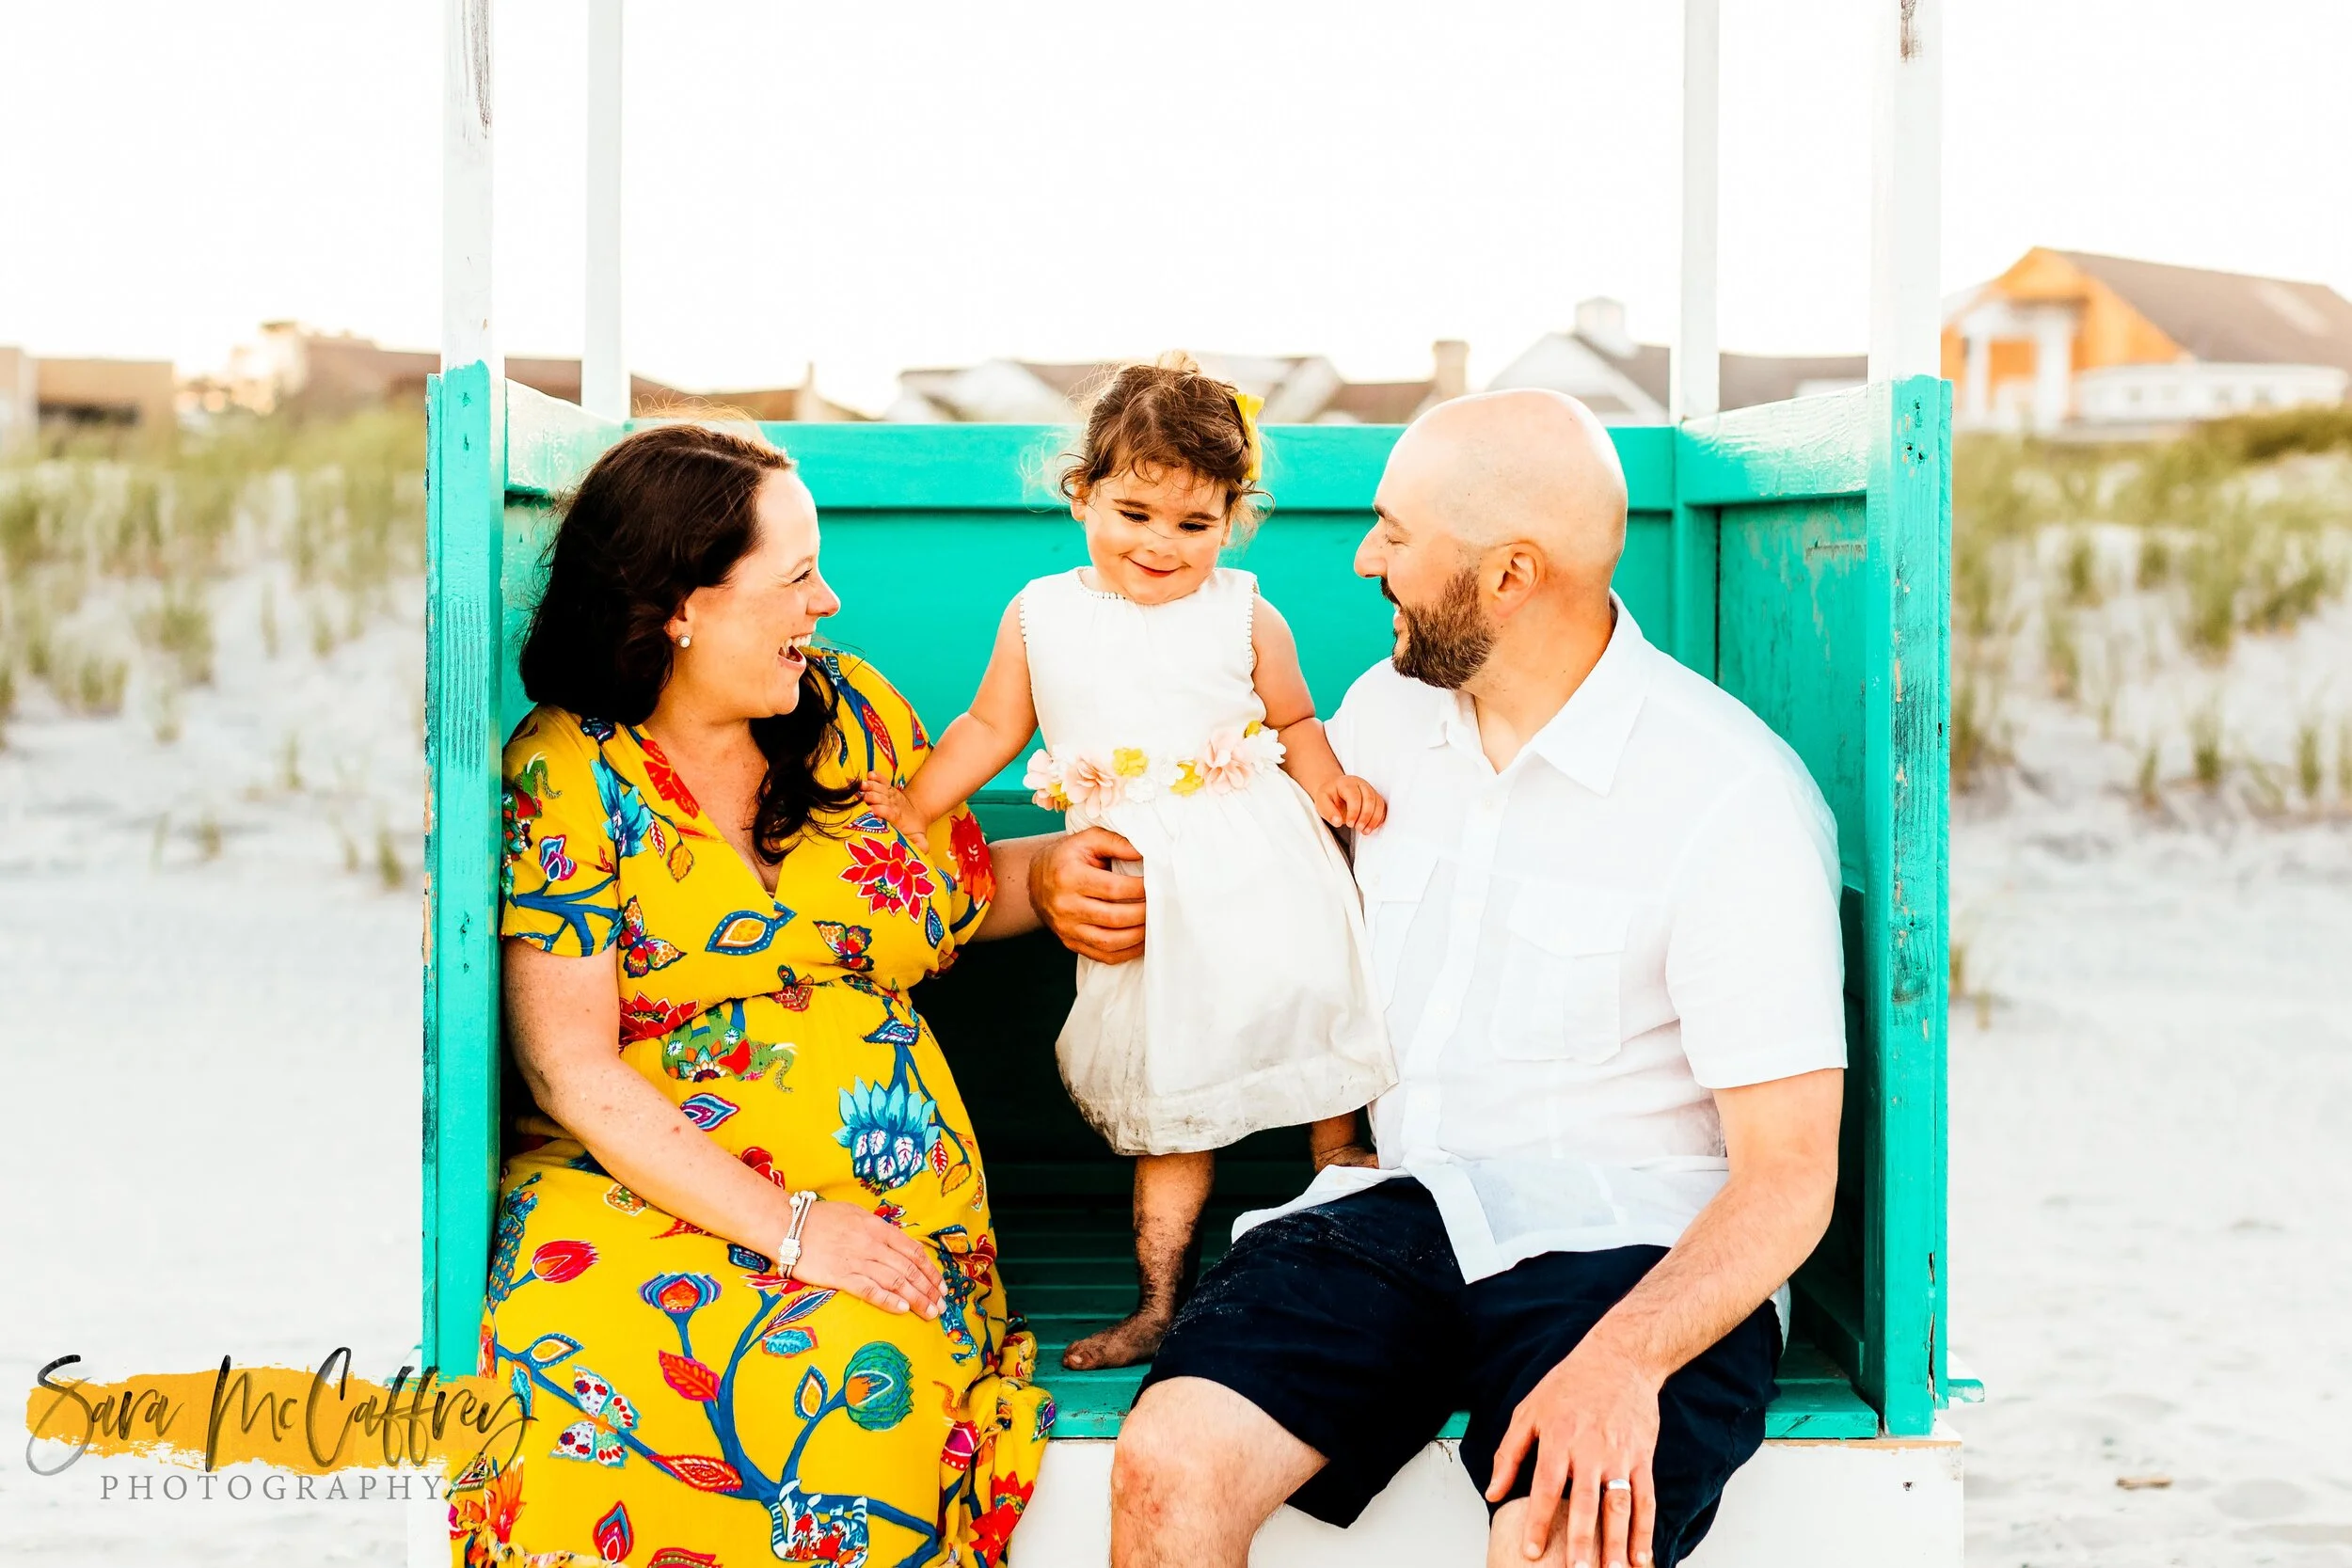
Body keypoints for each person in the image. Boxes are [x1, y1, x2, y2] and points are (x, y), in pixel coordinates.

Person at [1095, 390, 1850, 1568]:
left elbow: (1790, 1174)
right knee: (1166, 1466)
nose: (1364, 557)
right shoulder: (1379, 718)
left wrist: (1624, 1358)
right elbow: (1248, 888)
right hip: (1396, 1203)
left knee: (1562, 1528)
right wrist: (1069, 885)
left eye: (1395, 533)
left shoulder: (1729, 795)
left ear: (1508, 574)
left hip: (1637, 1236)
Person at [463, 420, 1111, 1567]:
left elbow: (948, 892)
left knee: (861, 1392)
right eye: (797, 575)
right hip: (638, 1189)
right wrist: (791, 1230)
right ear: (680, 604)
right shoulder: (567, 770)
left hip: (885, 1208)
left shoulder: (848, 711)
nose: (829, 602)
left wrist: (1052, 875)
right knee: (581, 1399)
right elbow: (572, 1064)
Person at [862, 358, 1396, 1371]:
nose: (1160, 543)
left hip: (1260, 860)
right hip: (1147, 883)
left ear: (1231, 522)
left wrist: (1332, 784)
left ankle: (1356, 1258)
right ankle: (1160, 1302)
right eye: (1134, 511)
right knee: (1171, 1095)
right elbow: (988, 723)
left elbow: (1292, 718)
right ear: (1082, 495)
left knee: (1324, 1051)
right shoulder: (1039, 614)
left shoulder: (1243, 612)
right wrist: (920, 804)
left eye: (1192, 526)